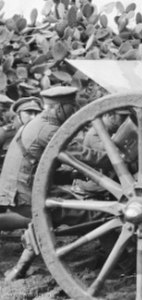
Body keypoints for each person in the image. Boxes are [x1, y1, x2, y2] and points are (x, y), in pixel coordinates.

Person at [0, 86, 79, 281]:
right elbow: (80, 155)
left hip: (23, 185)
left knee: (47, 214)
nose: (74, 112)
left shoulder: (36, 125)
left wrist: (70, 177)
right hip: (21, 189)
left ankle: (20, 267)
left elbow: (42, 168)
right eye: (71, 107)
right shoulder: (45, 129)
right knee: (50, 216)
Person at [0, 97, 43, 165]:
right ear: (18, 114)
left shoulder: (40, 131)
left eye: (37, 113)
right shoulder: (4, 133)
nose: (33, 117)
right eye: (29, 113)